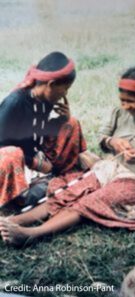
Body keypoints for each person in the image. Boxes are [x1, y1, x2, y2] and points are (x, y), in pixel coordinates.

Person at [1, 66, 135, 246]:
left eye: (132, 102)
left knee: (89, 201)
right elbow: (102, 138)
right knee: (69, 192)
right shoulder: (119, 112)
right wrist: (112, 142)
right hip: (109, 168)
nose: (125, 106)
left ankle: (32, 233)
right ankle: (15, 221)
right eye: (123, 101)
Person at [0, 52, 86, 207]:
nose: (65, 94)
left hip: (34, 155)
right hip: (15, 161)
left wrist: (63, 119)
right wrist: (33, 162)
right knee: (11, 154)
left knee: (71, 124)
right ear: (51, 84)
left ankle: (58, 172)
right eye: (65, 88)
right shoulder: (15, 102)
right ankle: (20, 195)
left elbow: (35, 131)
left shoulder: (45, 100)